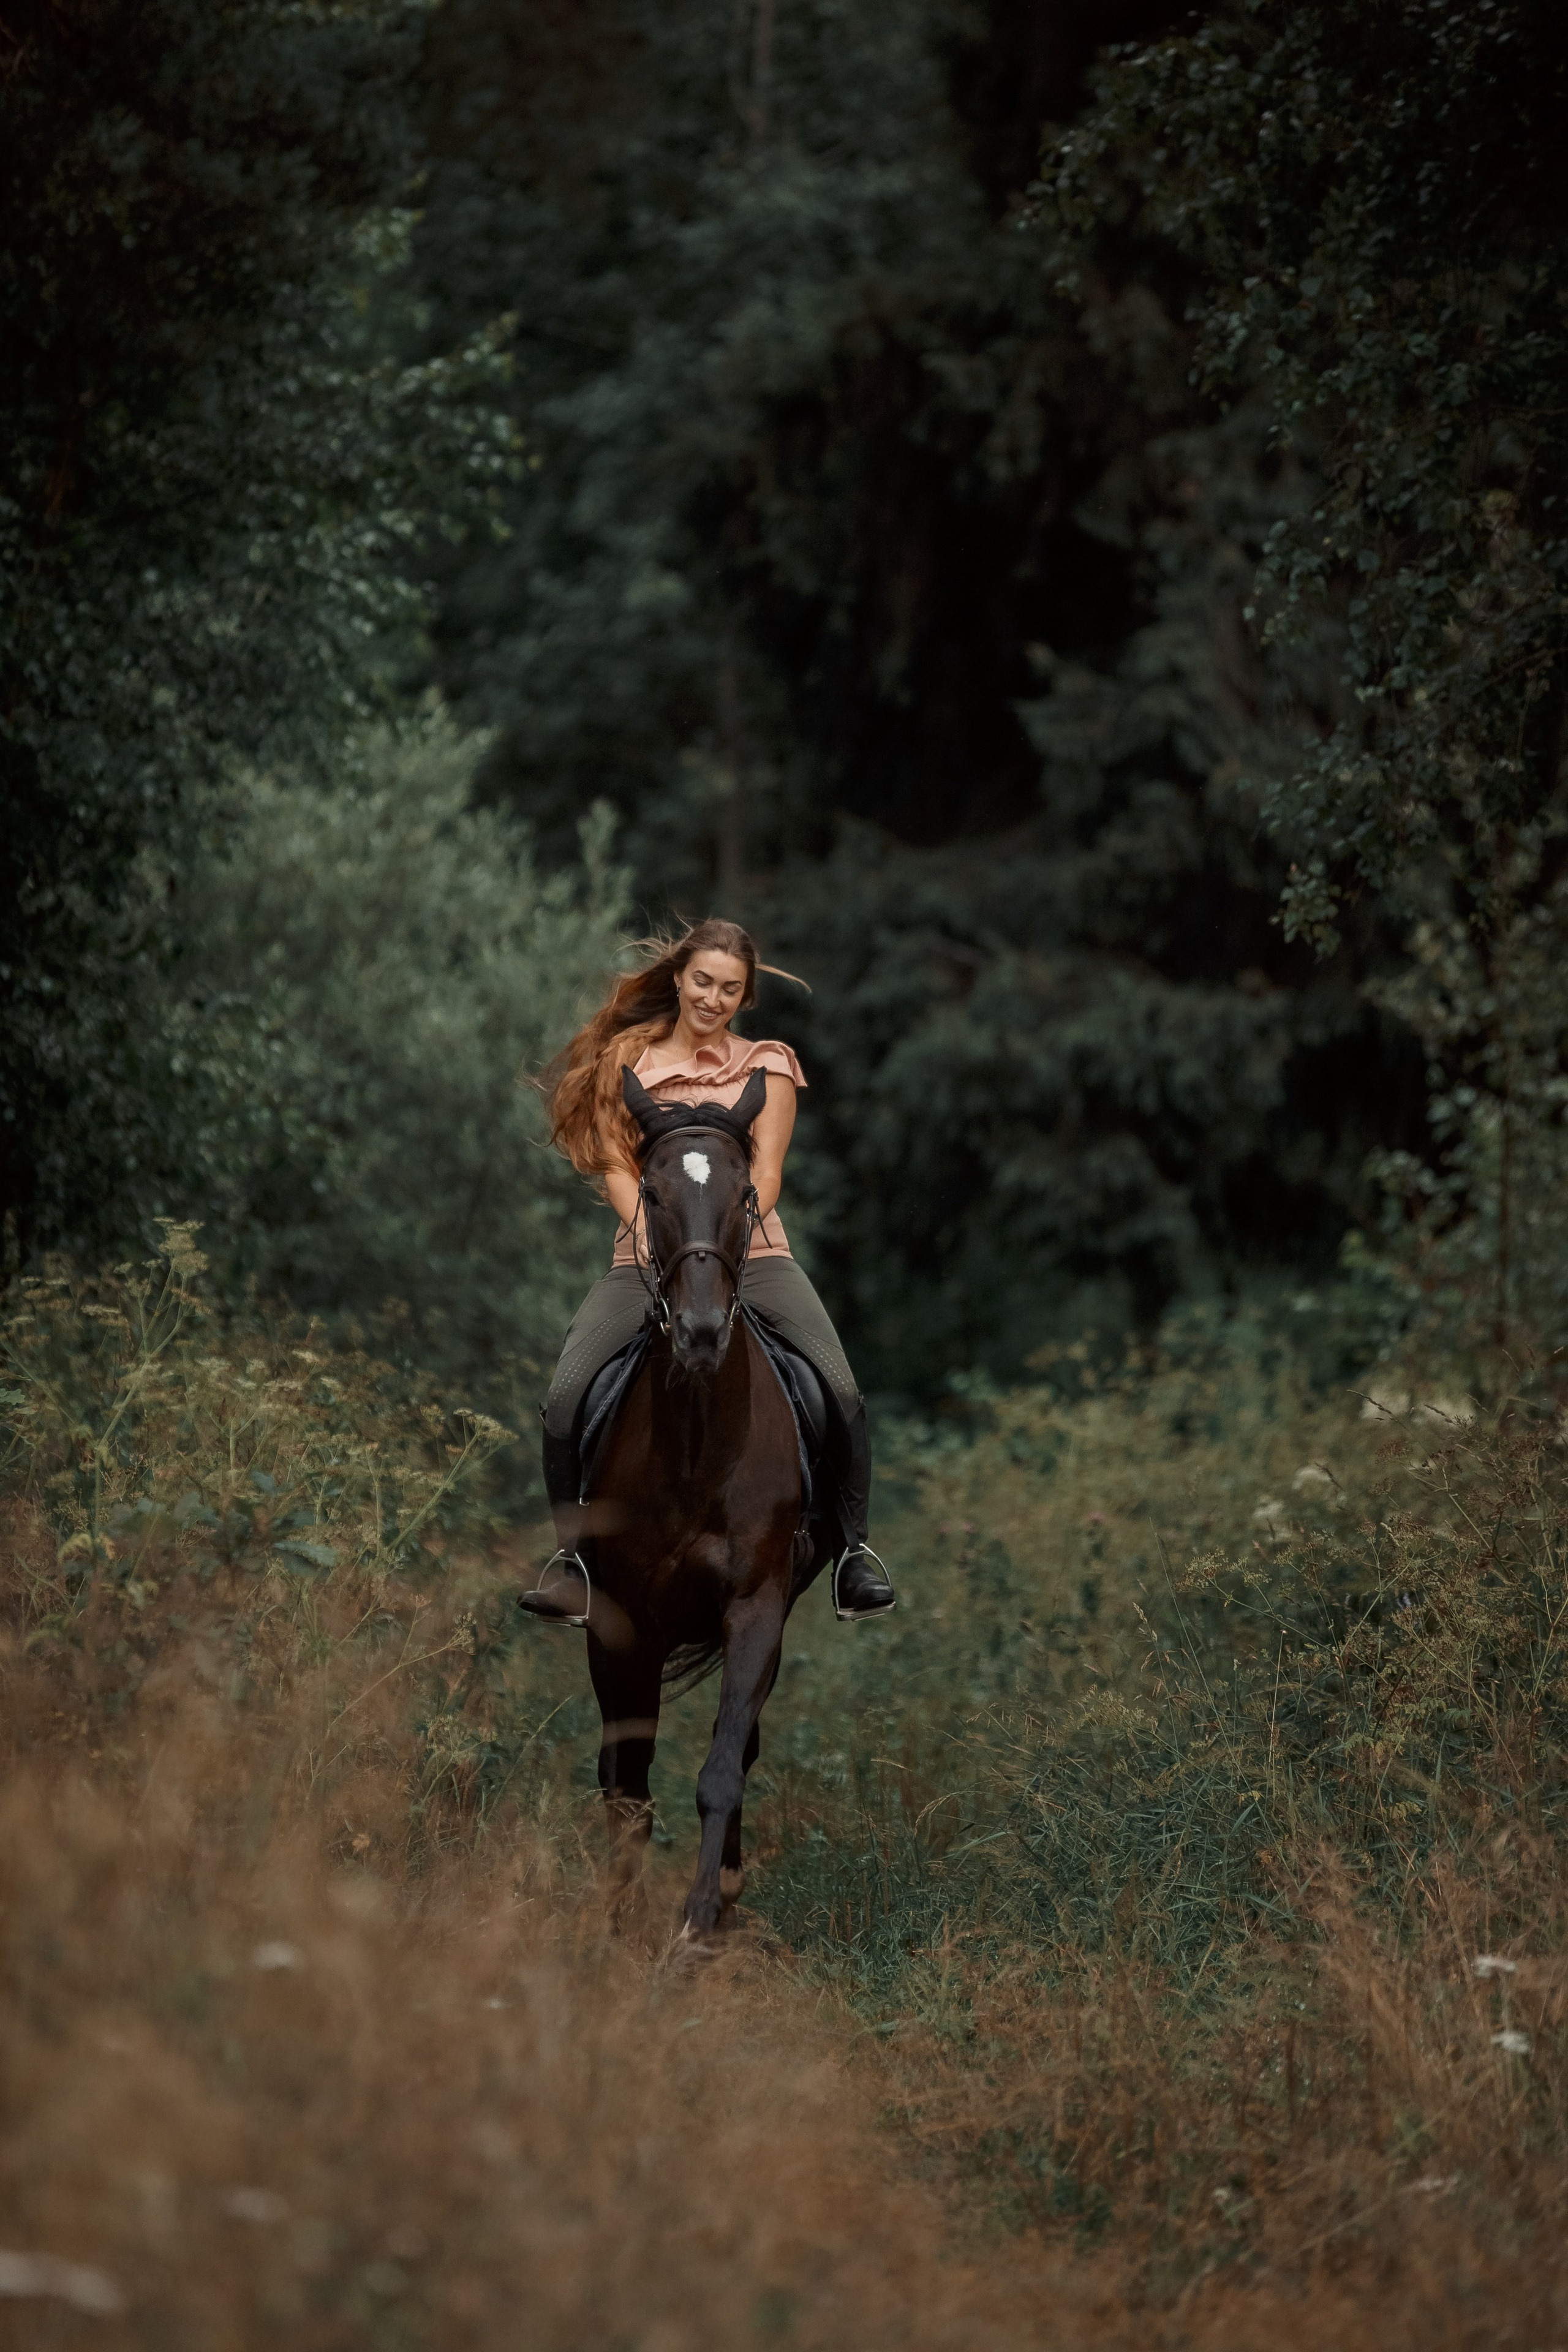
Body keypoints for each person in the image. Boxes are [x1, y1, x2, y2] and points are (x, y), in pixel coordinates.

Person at [520, 918, 896, 1626]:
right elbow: (613, 1169)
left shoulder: (770, 1067)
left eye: (730, 989)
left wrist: (724, 1244)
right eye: (702, 981)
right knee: (567, 1393)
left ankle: (854, 1555)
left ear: (745, 997)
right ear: (679, 979)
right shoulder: (625, 1062)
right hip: (647, 1261)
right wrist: (655, 1246)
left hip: (753, 1256)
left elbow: (768, 1173)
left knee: (841, 1388)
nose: (712, 998)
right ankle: (570, 1561)